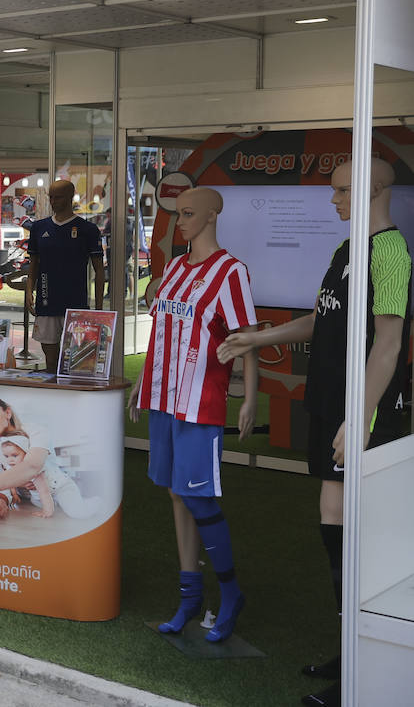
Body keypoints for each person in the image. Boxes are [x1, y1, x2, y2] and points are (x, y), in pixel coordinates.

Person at [218, 159, 409, 706]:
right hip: (330, 407)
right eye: (334, 190)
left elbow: (389, 344)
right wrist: (259, 338)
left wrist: (360, 414)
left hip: (363, 414)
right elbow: (323, 320)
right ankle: (352, 648)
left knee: (357, 536)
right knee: (333, 526)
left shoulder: (390, 252)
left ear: (374, 189)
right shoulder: (346, 251)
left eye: (344, 190)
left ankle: (363, 664)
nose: (334, 200)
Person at [130, 187, 257, 644]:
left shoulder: (231, 272)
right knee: (175, 496)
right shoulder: (174, 271)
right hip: (163, 398)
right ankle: (189, 599)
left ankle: (230, 592)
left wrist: (250, 397)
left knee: (198, 498)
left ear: (210, 216)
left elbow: (246, 338)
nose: (179, 221)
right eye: (178, 213)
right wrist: (142, 385)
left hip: (200, 401)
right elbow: (161, 334)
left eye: (187, 213)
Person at [26, 179, 106, 366]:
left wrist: (99, 308)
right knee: (50, 360)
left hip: (76, 304)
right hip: (46, 303)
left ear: (70, 197)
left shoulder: (88, 230)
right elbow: (33, 266)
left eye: (58, 197)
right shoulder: (38, 228)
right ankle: (52, 392)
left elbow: (99, 270)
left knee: (76, 361)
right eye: (51, 197)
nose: (53, 201)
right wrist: (29, 292)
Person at [0, 433, 100, 519]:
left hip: (61, 487)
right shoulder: (11, 465)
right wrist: (14, 494)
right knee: (37, 501)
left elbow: (44, 491)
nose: (10, 460)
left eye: (14, 455)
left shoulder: (33, 468)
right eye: (6, 456)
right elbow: (9, 481)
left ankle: (96, 502)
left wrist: (47, 511)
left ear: (27, 454)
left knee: (77, 513)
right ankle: (60, 502)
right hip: (47, 495)